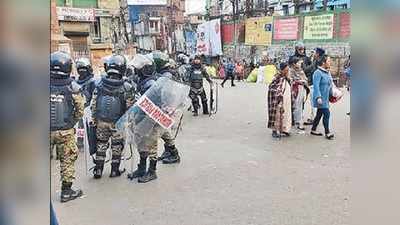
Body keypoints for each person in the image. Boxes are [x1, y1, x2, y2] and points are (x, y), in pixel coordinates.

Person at [91, 54, 134, 179]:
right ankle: (114, 170)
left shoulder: (99, 85)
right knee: (117, 145)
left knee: (101, 144)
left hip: (101, 121)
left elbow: (94, 104)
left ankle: (98, 169)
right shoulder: (127, 87)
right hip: (118, 122)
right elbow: (130, 107)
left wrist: (94, 119)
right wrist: (128, 122)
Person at [50, 51, 84, 202]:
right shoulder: (73, 87)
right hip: (66, 130)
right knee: (67, 159)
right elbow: (80, 109)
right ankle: (66, 191)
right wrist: (72, 122)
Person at [127, 54, 161, 182]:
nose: (137, 71)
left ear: (145, 69)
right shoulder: (142, 81)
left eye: (139, 69)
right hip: (141, 118)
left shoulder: (151, 84)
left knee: (151, 145)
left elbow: (156, 103)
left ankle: (152, 172)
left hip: (151, 119)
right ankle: (141, 168)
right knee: (141, 144)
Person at [150, 52, 181, 164]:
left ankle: (173, 153)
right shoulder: (164, 73)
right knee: (163, 129)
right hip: (165, 107)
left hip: (166, 107)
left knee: (161, 128)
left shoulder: (166, 76)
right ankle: (170, 151)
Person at [310, 55, 335, 140]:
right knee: (327, 113)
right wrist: (318, 97)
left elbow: (330, 84)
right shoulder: (317, 73)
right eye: (328, 61)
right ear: (323, 63)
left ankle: (313, 129)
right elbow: (316, 86)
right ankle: (327, 132)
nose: (330, 62)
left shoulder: (326, 72)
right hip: (320, 98)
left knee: (319, 114)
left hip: (325, 98)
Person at [75, 58, 96, 151]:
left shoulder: (92, 81)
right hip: (80, 108)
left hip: (89, 108)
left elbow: (94, 95)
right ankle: (80, 142)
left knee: (90, 127)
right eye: (80, 69)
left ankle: (92, 143)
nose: (81, 71)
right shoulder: (76, 82)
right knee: (81, 127)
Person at [267, 62, 293, 138]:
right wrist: (279, 95)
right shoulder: (277, 78)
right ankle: (274, 130)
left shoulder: (287, 78)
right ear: (282, 70)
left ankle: (285, 129)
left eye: (288, 70)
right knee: (277, 115)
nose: (287, 72)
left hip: (287, 100)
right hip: (278, 100)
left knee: (287, 114)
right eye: (286, 70)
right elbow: (272, 88)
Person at [289, 57, 309, 132]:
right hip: (294, 90)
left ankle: (298, 121)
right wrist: (299, 81)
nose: (300, 64)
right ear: (294, 64)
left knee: (300, 106)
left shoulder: (300, 70)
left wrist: (303, 81)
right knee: (295, 105)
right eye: (299, 63)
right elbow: (290, 80)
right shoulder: (291, 71)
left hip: (301, 89)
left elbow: (305, 79)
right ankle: (297, 121)